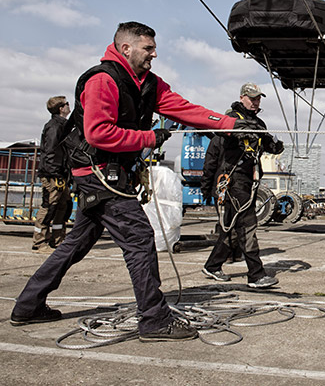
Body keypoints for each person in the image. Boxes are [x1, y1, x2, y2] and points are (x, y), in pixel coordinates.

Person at [11, 21, 241, 342]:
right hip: (99, 173)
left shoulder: (148, 83)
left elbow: (183, 108)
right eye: (148, 48)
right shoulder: (103, 80)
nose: (154, 54)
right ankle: (154, 318)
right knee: (139, 238)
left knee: (77, 243)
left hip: (109, 173)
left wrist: (229, 123)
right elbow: (98, 133)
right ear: (126, 48)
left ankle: (28, 304)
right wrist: (149, 137)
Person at [200, 83, 283, 288]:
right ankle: (256, 274)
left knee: (232, 228)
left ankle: (212, 266)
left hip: (249, 181)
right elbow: (213, 155)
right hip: (233, 180)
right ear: (242, 97)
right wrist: (207, 185)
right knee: (247, 225)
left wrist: (275, 144)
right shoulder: (229, 121)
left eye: (258, 99)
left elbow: (269, 146)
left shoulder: (258, 123)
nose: (256, 102)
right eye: (252, 98)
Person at [33, 96, 72, 253]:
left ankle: (57, 240)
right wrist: (53, 173)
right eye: (67, 104)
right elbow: (50, 151)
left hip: (60, 174)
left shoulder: (63, 125)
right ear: (61, 108)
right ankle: (39, 242)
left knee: (64, 205)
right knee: (49, 205)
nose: (69, 106)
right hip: (53, 174)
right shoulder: (54, 127)